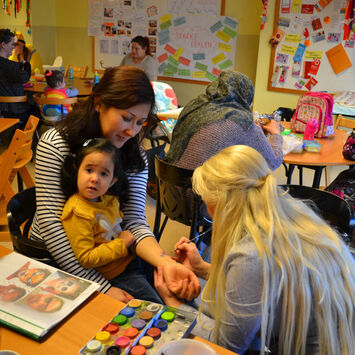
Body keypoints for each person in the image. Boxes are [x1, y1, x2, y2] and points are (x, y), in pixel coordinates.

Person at [155, 145, 355, 354]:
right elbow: (257, 290)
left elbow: (228, 344)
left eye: (207, 204)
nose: (208, 213)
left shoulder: (251, 254)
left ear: (224, 204)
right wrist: (202, 268)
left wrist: (173, 306)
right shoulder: (290, 210)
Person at [30, 66, 200, 303]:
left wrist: (162, 260)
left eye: (140, 122)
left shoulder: (135, 156)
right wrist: (100, 287)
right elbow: (52, 226)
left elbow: (134, 221)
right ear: (99, 104)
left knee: (169, 293)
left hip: (110, 250)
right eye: (126, 118)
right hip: (57, 253)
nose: (132, 131)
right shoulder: (56, 143)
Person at [60, 138, 161, 302]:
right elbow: (86, 258)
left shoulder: (108, 199)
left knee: (166, 280)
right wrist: (122, 244)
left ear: (112, 181)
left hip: (130, 259)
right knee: (154, 303)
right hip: (117, 274)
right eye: (89, 170)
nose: (94, 178)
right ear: (76, 170)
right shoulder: (78, 212)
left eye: (103, 173)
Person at [166, 70, 283, 172]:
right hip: (200, 192)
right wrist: (276, 133)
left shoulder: (195, 105)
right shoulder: (242, 121)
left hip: (170, 185)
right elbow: (273, 162)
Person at [0, 28, 31, 120]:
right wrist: (26, 65)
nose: (14, 47)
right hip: (14, 110)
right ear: (3, 45)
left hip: (2, 110)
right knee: (36, 109)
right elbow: (25, 78)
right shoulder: (11, 66)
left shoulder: (12, 65)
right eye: (12, 44)